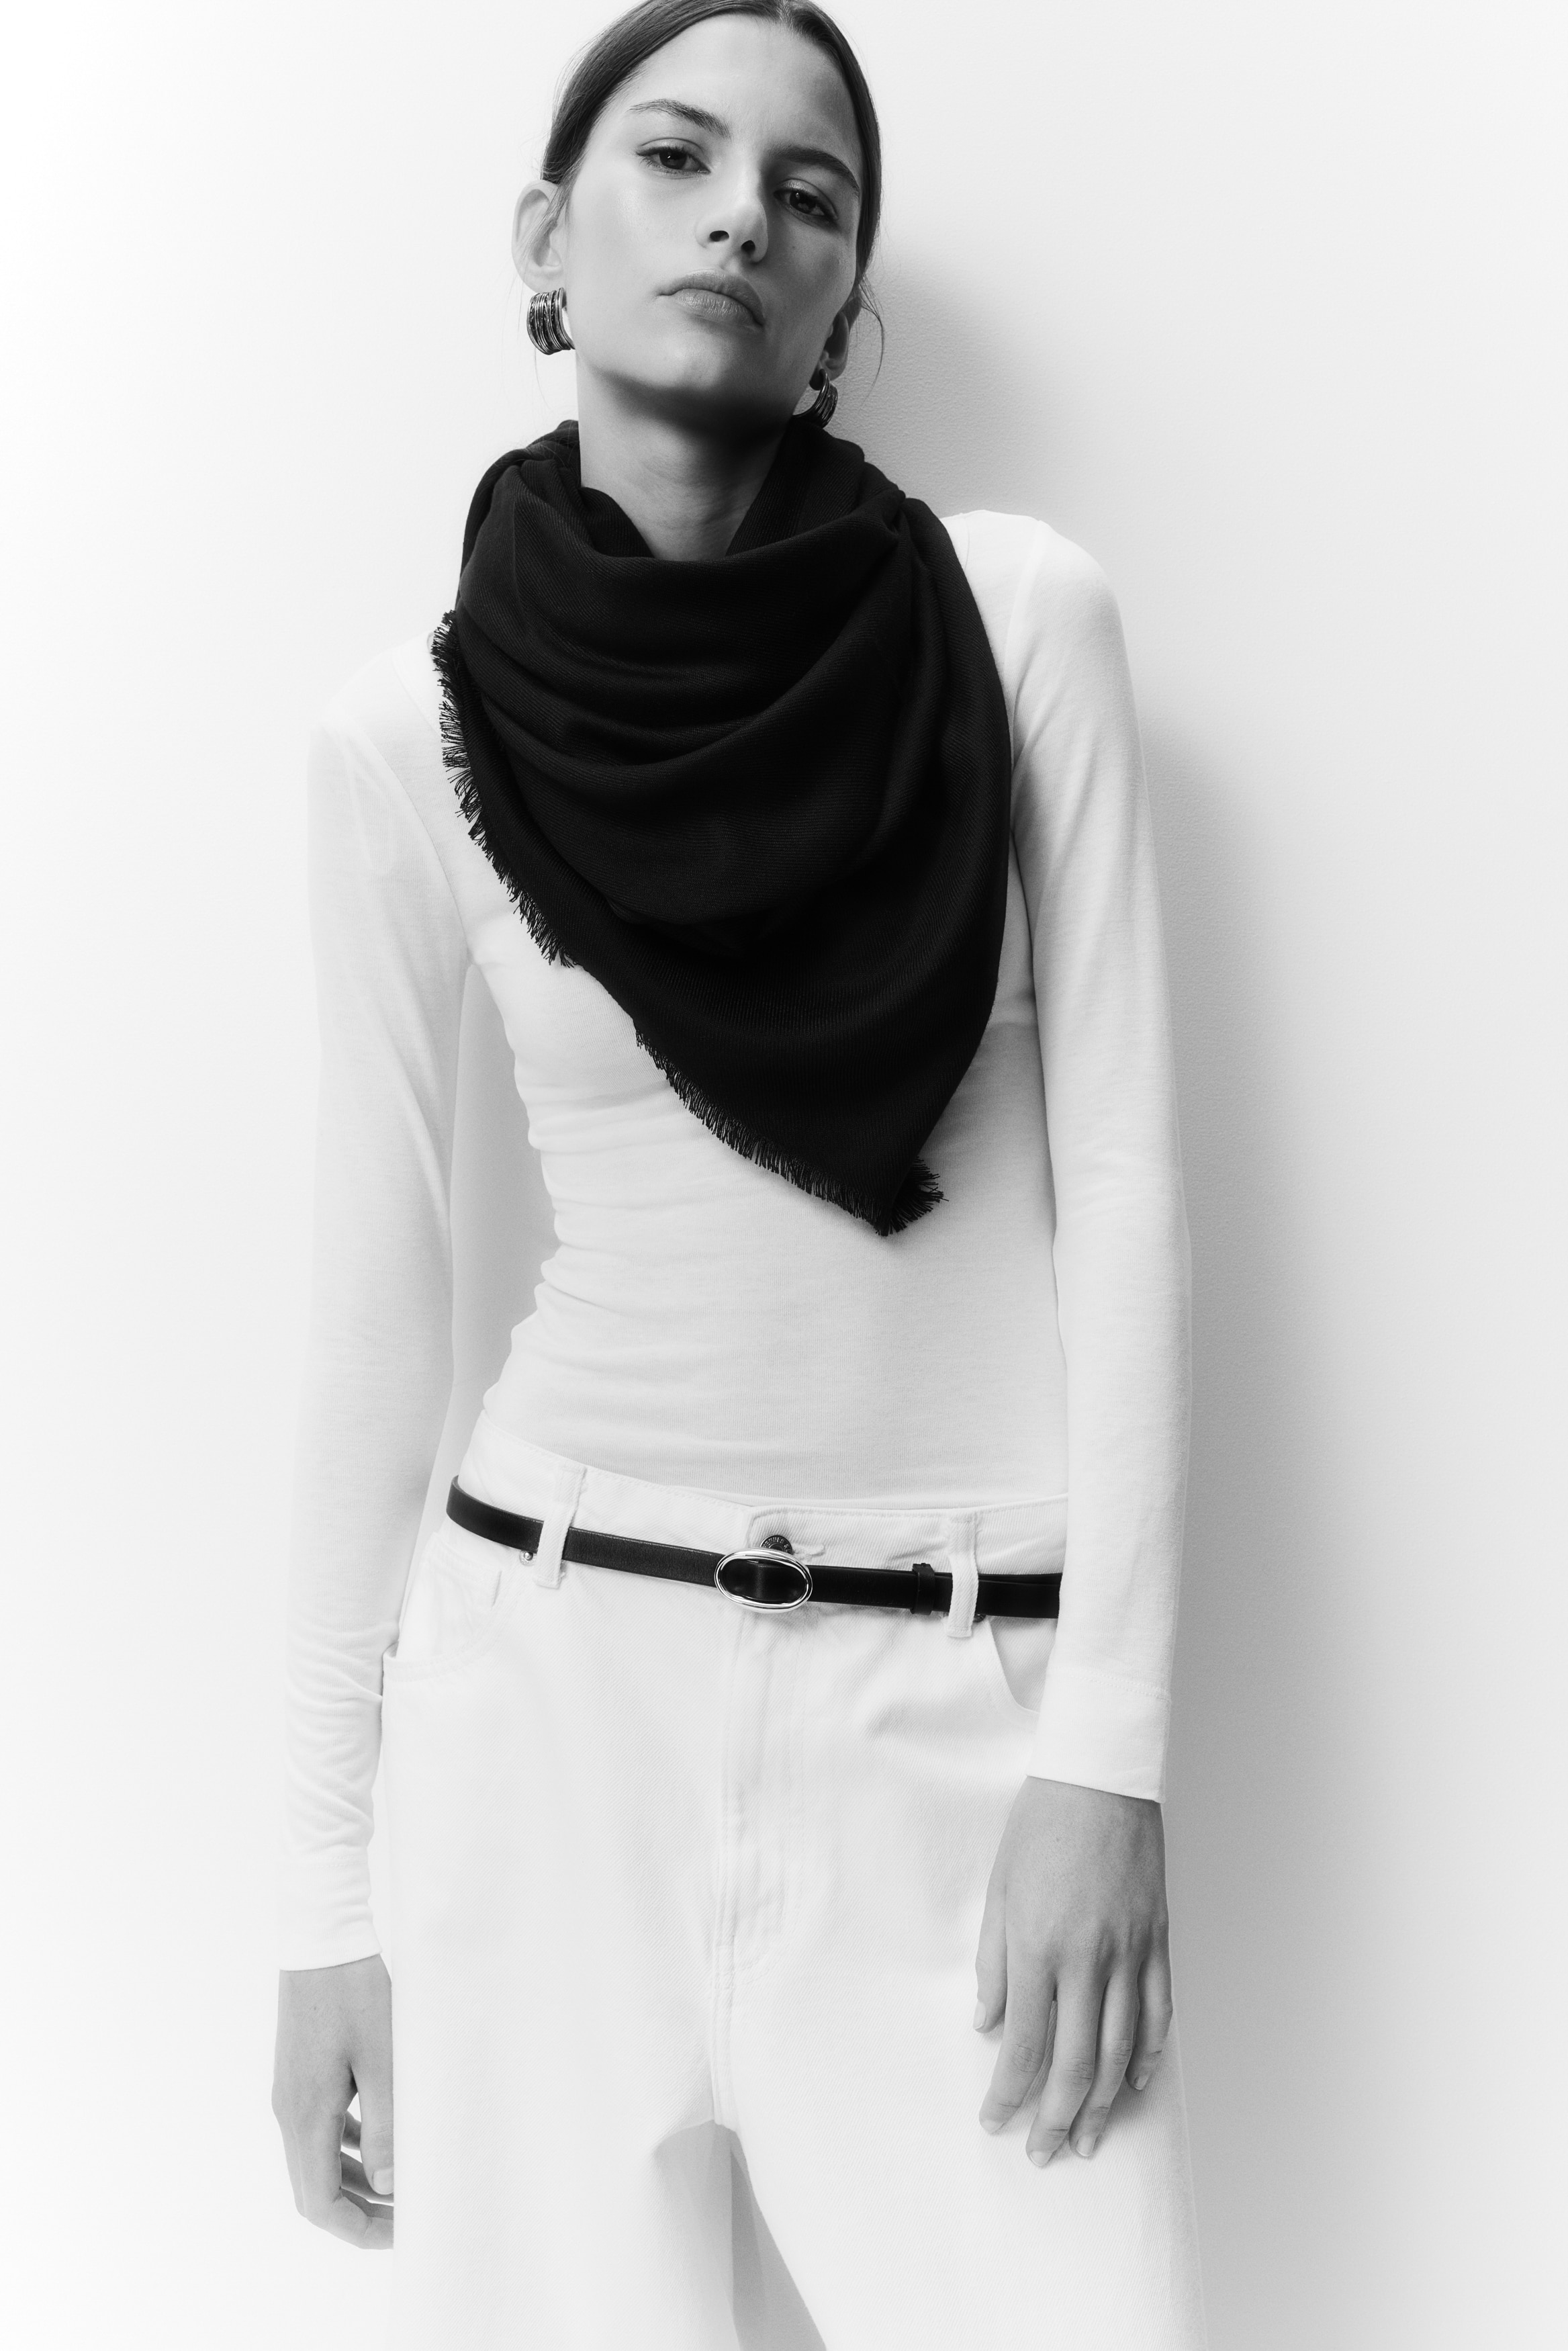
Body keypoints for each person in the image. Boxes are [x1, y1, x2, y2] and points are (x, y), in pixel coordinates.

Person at [270, 2, 1207, 2343]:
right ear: (546, 242)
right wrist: (321, 1902)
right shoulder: (407, 734)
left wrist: (1108, 1760)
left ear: (842, 309)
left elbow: (1126, 1189)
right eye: (676, 158)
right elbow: (371, 1309)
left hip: (960, 1702)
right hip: (543, 1705)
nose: (741, 220)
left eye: (811, 195)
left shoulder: (1017, 623)